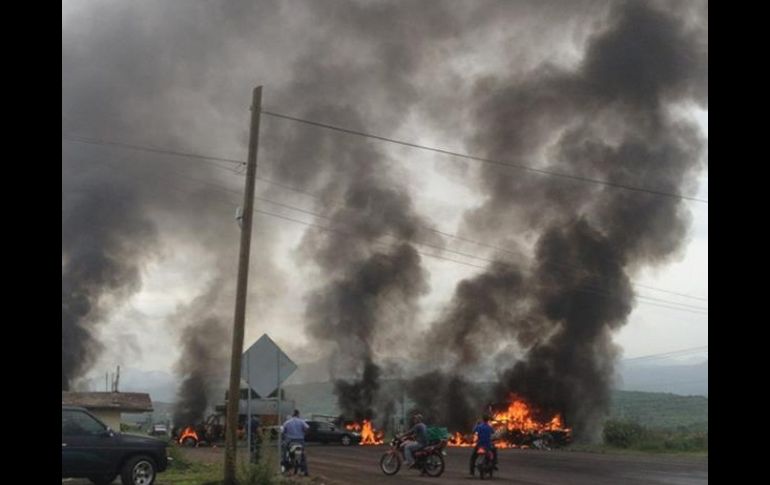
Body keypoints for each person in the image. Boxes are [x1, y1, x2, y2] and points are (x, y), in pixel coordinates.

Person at [282, 409, 310, 475]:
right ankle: (304, 471)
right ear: (298, 414)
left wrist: (285, 435)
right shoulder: (301, 421)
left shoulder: (287, 422)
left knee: (285, 454)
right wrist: (304, 434)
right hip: (300, 440)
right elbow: (307, 428)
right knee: (302, 456)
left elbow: (283, 431)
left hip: (289, 441)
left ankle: (285, 470)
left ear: (292, 415)